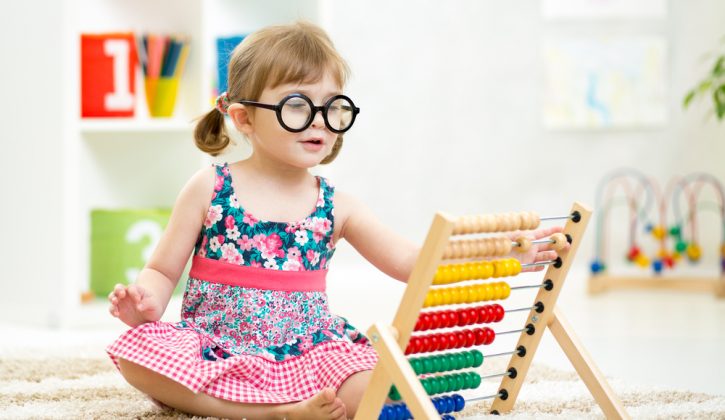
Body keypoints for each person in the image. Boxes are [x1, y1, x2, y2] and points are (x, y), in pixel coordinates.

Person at [107, 21, 561, 420]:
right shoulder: (209, 187)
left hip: (311, 353)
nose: (319, 121)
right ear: (244, 118)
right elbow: (164, 270)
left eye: (332, 106)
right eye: (298, 105)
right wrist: (145, 302)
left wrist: (501, 251)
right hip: (217, 347)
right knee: (138, 358)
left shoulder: (337, 205)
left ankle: (290, 405)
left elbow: (411, 262)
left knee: (383, 390)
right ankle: (274, 413)